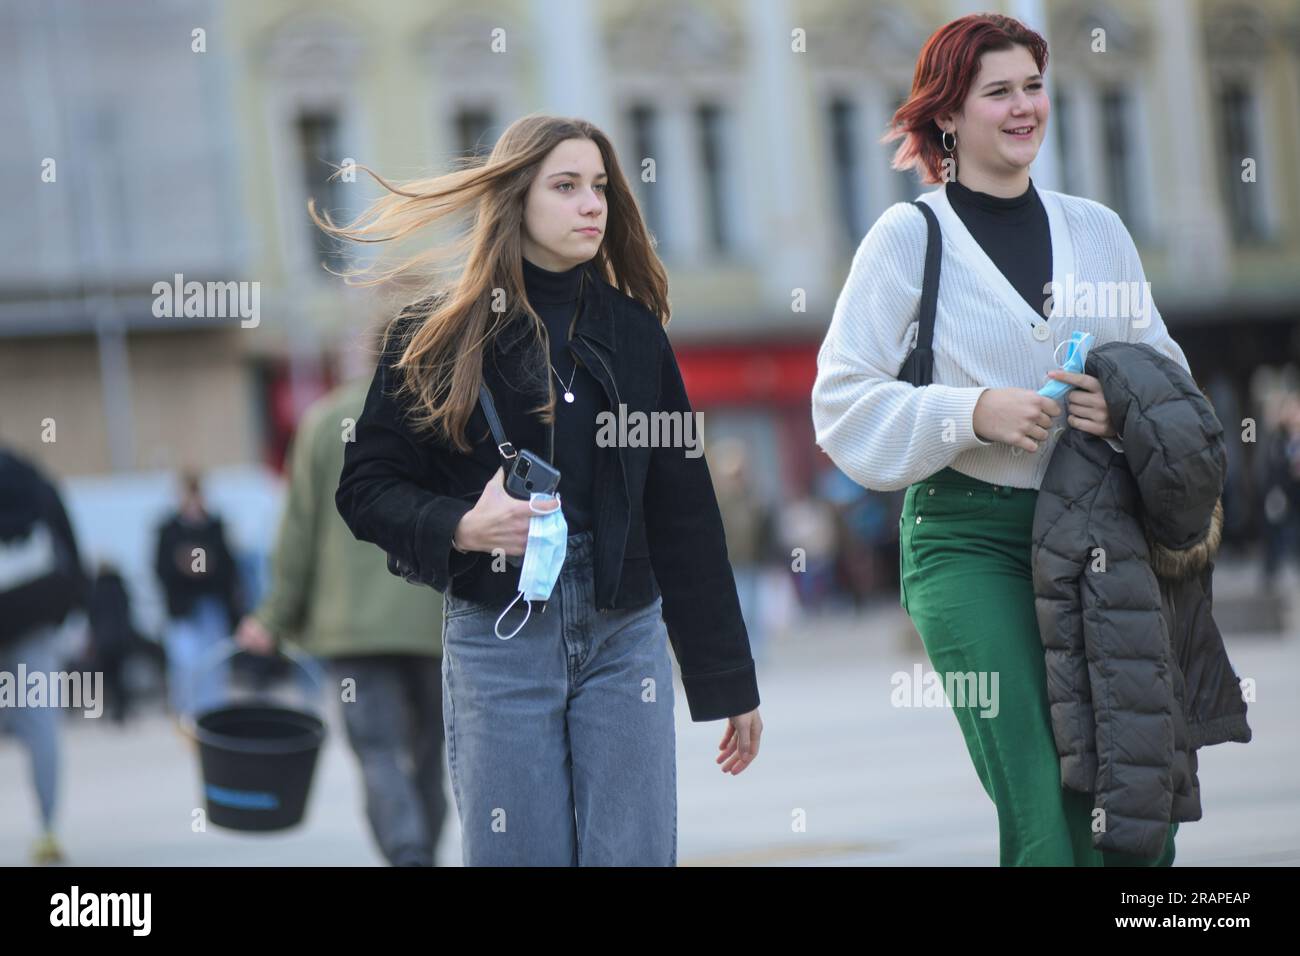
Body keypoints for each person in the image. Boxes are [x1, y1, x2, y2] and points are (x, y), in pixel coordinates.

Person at [323, 113, 763, 866]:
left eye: (599, 187)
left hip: (624, 629)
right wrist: (464, 525)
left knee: (631, 853)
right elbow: (365, 486)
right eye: (566, 187)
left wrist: (727, 679)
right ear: (516, 199)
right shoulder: (432, 334)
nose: (592, 204)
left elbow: (684, 511)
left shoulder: (635, 335)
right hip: (499, 635)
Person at [812, 14, 1193, 866]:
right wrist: (970, 411)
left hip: (1099, 538)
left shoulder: (1098, 231)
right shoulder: (909, 238)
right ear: (947, 115)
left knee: (1130, 801)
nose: (1025, 108)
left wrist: (1122, 408)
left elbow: (1171, 381)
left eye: (1033, 87)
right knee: (1039, 797)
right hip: (965, 541)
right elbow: (837, 405)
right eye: (999, 92)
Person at [234, 332, 451, 867]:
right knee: (431, 753)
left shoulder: (324, 423)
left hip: (351, 632)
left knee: (378, 752)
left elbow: (298, 534)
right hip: (432, 624)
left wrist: (273, 619)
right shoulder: (439, 418)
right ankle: (424, 848)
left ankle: (407, 852)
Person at [0, 446, 89, 864]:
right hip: (31, 619)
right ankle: (48, 828)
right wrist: (69, 607)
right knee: (40, 727)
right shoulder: (28, 474)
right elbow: (69, 545)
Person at [153, 471, 242, 723]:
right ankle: (189, 717)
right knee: (186, 666)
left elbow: (228, 568)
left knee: (214, 666)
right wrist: (181, 564)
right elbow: (160, 569)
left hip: (212, 607)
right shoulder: (169, 530)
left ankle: (213, 718)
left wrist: (207, 566)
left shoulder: (214, 527)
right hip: (183, 610)